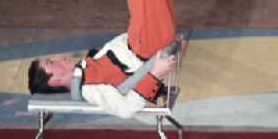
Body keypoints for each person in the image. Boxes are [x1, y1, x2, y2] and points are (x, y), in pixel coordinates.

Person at [27, 35, 180, 120]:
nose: (59, 56)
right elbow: (126, 109)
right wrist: (154, 74)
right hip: (146, 49)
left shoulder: (86, 68)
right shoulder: (89, 89)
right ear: (54, 81)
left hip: (142, 41)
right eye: (51, 62)